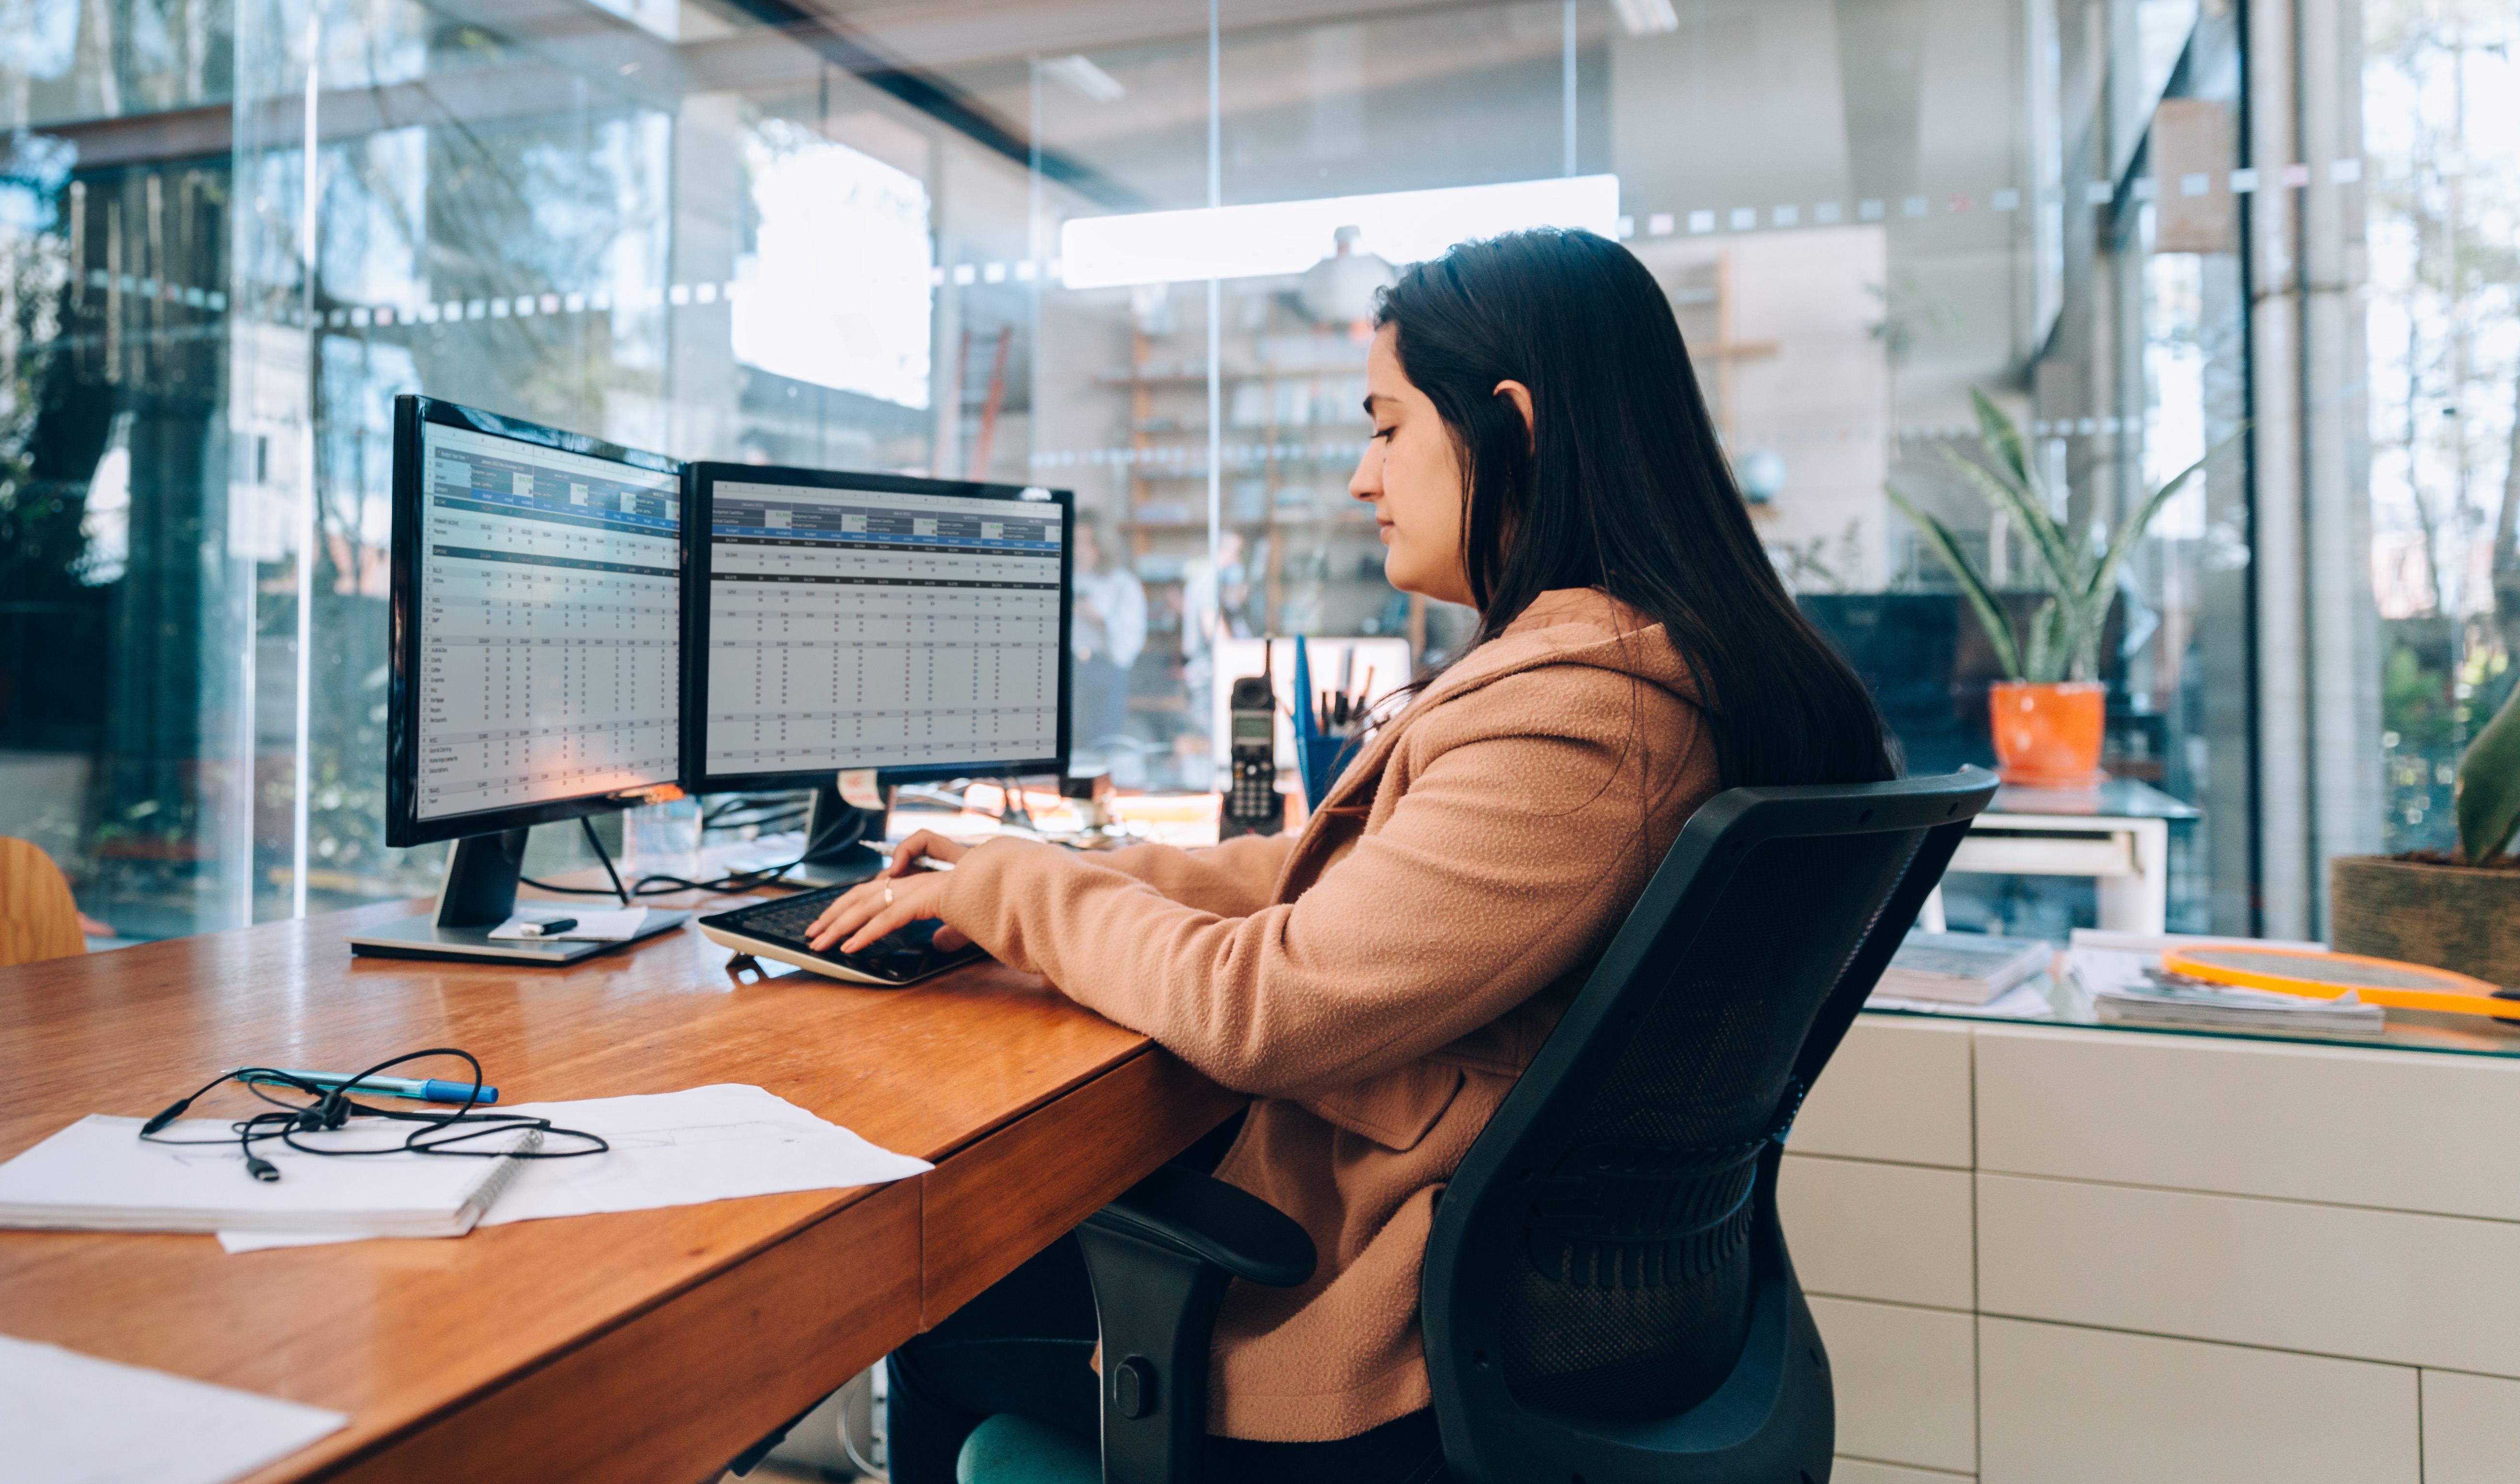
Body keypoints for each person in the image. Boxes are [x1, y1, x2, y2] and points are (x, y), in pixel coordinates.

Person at [806, 227, 1896, 1483]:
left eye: (1386, 427)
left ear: (1513, 429)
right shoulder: (1656, 671)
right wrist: (1039, 875)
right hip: (1550, 1326)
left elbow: (1264, 1008)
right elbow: (1320, 888)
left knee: (941, 1310)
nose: (1362, 479)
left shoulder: (1590, 720)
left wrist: (1013, 887)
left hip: (1401, 1350)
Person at [1070, 523, 1146, 752]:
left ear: (1100, 546)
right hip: (1072, 668)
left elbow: (1132, 635)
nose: (1079, 550)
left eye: (1087, 543)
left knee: (1104, 744)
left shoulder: (1122, 583)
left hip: (1106, 668)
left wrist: (1098, 618)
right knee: (1073, 743)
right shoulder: (1065, 578)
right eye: (1076, 542)